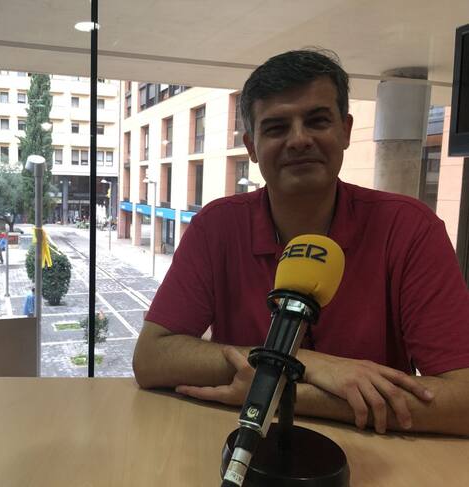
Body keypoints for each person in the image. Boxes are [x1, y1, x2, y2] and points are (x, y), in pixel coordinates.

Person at [132, 49, 469, 436]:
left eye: (317, 121)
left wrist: (276, 390)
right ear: (252, 147)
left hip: (373, 453)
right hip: (244, 444)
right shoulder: (216, 226)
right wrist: (307, 363)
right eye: (276, 128)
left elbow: (463, 401)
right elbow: (152, 357)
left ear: (345, 130)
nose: (299, 140)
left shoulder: (410, 229)